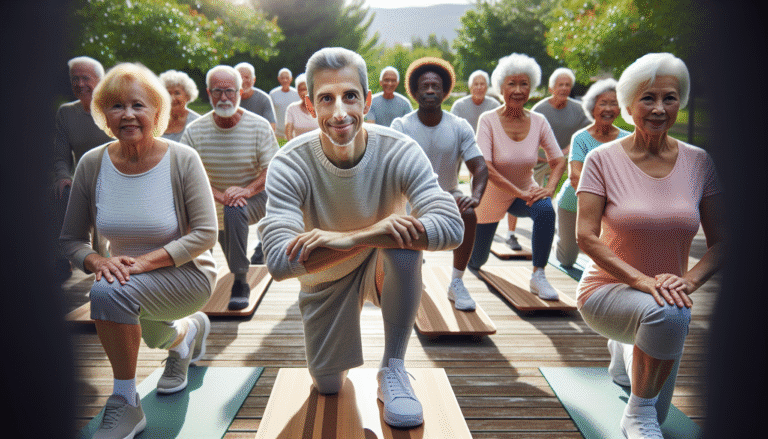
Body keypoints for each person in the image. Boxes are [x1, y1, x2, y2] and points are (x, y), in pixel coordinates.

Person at [257, 47, 463, 428]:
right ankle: (337, 358)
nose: (339, 112)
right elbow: (279, 262)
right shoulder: (290, 162)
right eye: (326, 99)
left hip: (380, 264)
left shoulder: (398, 149)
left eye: (350, 96)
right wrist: (368, 235)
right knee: (329, 385)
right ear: (309, 105)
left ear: (366, 101)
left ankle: (394, 369)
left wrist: (354, 239)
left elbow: (451, 226)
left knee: (404, 244)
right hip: (323, 279)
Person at [60, 63, 217, 438]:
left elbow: (207, 233)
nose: (127, 114)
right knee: (138, 321)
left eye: (138, 105)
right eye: (115, 106)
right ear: (104, 115)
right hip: (126, 279)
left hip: (187, 273)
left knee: (107, 293)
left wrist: (144, 263)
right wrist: (97, 259)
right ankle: (185, 337)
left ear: (157, 112)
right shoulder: (92, 163)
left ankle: (126, 402)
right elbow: (70, 240)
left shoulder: (182, 159)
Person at [575, 53, 724, 439]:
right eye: (648, 98)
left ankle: (626, 349)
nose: (659, 108)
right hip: (606, 290)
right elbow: (586, 236)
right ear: (628, 105)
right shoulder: (601, 159)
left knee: (667, 312)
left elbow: (723, 242)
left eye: (669, 98)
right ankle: (635, 413)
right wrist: (642, 282)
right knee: (670, 319)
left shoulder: (699, 162)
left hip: (667, 296)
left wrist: (688, 282)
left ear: (681, 102)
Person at [392, 57, 488, 311]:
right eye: (425, 86)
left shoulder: (459, 126)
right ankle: (413, 273)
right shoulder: (401, 126)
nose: (431, 90)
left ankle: (456, 282)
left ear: (445, 91)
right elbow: (389, 168)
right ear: (415, 92)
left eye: (436, 86)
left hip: (448, 195)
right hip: (409, 199)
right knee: (403, 227)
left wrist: (475, 196)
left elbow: (479, 167)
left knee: (468, 213)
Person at [468, 53, 566, 301]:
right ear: (501, 88)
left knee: (545, 210)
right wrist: (519, 192)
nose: (518, 90)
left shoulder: (539, 121)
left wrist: (549, 189)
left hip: (524, 193)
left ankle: (539, 275)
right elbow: (486, 167)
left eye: (524, 84)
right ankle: (470, 256)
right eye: (512, 84)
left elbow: (558, 160)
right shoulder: (488, 120)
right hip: (490, 198)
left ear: (531, 89)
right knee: (477, 260)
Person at [181, 65, 279, 309]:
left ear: (241, 91)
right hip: (213, 199)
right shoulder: (195, 131)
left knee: (234, 210)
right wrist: (218, 195)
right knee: (218, 220)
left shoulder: (259, 126)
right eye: (217, 91)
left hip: (255, 198)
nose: (223, 98)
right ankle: (190, 277)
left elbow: (273, 170)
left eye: (229, 91)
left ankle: (240, 280)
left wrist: (247, 190)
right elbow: (186, 174)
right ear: (208, 93)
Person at [553, 78, 630, 267]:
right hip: (574, 203)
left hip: (613, 207)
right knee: (568, 259)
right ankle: (561, 240)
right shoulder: (581, 138)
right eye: (603, 103)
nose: (608, 109)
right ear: (592, 108)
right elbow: (575, 177)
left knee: (611, 258)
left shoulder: (627, 139)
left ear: (619, 109)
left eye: (614, 103)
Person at [52, 56, 113, 279]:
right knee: (59, 192)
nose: (79, 84)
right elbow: (61, 156)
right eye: (74, 79)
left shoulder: (113, 110)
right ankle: (62, 259)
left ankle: (104, 262)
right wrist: (62, 175)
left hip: (115, 179)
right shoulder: (66, 113)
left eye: (85, 78)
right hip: (82, 181)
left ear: (100, 80)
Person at [450, 70, 523, 251]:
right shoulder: (459, 105)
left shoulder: (494, 104)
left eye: (483, 83)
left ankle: (508, 233)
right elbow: (453, 131)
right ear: (470, 86)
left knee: (505, 181)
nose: (479, 87)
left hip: (487, 151)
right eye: (476, 83)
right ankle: (452, 223)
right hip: (463, 147)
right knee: (451, 181)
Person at [531, 67, 590, 187]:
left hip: (569, 154)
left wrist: (566, 151)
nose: (564, 88)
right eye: (560, 85)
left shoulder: (579, 109)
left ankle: (574, 196)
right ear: (551, 89)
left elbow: (587, 133)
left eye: (567, 85)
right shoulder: (539, 110)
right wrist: (550, 155)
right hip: (543, 157)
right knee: (533, 190)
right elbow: (529, 139)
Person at [159, 69, 201, 143]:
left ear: (187, 96)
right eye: (168, 93)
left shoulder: (198, 123)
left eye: (177, 93)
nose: (172, 98)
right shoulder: (155, 121)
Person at [235, 62, 277, 132]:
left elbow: (271, 127)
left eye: (247, 77)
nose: (243, 81)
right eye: (240, 77)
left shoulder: (264, 99)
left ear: (253, 80)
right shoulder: (228, 98)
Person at [269, 67, 301, 139]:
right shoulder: (273, 94)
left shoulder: (297, 94)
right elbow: (270, 113)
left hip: (294, 133)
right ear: (278, 79)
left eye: (287, 78)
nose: (285, 80)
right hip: (277, 134)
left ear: (291, 79)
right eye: (282, 78)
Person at [283, 73, 316, 140]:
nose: (303, 92)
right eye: (301, 89)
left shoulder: (321, 107)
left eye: (306, 89)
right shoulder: (292, 108)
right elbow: (288, 135)